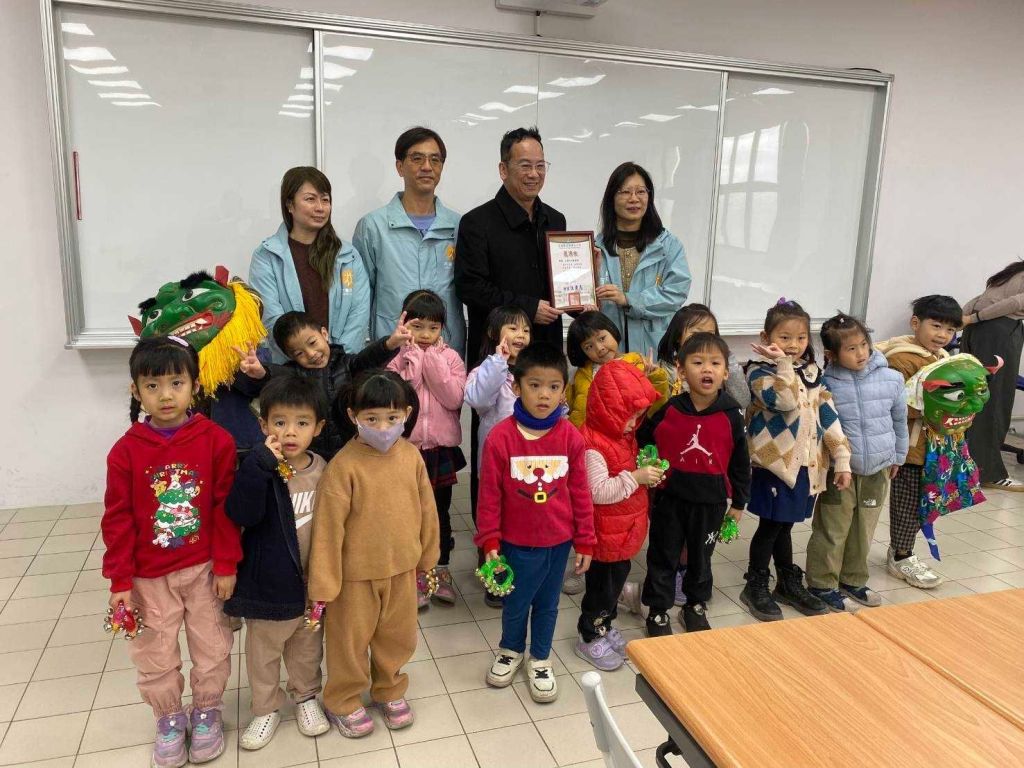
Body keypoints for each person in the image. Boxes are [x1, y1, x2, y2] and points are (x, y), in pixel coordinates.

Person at [101, 336, 241, 767]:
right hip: (149, 576)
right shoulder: (125, 451)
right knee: (154, 651)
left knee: (212, 645)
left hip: (203, 569)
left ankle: (207, 711)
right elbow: (117, 519)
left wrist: (226, 564)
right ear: (136, 391)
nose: (165, 395)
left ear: (194, 386)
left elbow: (225, 509)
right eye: (153, 385)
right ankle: (168, 718)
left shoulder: (217, 441)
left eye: (176, 383)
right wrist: (120, 580)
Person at [307, 371, 440, 738]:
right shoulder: (343, 466)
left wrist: (428, 557)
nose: (382, 427)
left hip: (401, 570)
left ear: (406, 414)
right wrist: (324, 585)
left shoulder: (411, 456)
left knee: (397, 637)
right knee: (348, 643)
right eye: (372, 418)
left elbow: (427, 509)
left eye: (391, 418)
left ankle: (389, 688)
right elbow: (328, 530)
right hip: (354, 578)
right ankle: (343, 699)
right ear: (354, 416)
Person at [475, 343, 595, 702]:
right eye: (535, 385)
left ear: (563, 390)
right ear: (516, 387)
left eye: (554, 386)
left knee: (548, 604)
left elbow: (581, 492)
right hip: (515, 543)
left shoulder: (571, 437)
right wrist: (490, 541)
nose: (545, 395)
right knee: (515, 603)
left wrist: (585, 540)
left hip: (558, 543)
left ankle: (540, 658)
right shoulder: (501, 437)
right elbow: (489, 496)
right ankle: (511, 650)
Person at [225, 376, 330, 750]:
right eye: (280, 422)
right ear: (263, 424)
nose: (290, 432)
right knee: (264, 652)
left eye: (302, 422)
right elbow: (242, 513)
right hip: (268, 585)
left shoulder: (323, 469)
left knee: (307, 648)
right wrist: (259, 466)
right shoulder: (256, 466)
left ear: (318, 427)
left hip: (311, 585)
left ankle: (305, 697)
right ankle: (265, 707)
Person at [739, 300, 852, 622]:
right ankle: (755, 583)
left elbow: (829, 417)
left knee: (784, 525)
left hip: (806, 467)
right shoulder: (759, 371)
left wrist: (842, 458)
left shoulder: (813, 374)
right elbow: (784, 400)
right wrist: (784, 364)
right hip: (774, 465)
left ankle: (787, 581)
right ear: (766, 337)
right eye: (785, 337)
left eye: (801, 338)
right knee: (771, 525)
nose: (793, 345)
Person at [639, 333, 750, 635]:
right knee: (662, 555)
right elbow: (644, 438)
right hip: (669, 500)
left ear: (725, 372)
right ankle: (658, 611)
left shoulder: (731, 415)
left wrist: (739, 502)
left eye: (715, 363)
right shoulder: (670, 409)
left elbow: (740, 463)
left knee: (702, 559)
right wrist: (649, 466)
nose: (707, 369)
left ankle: (695, 605)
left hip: (710, 503)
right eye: (698, 362)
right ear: (681, 370)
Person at [805, 314, 908, 612]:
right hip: (841, 471)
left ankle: (853, 579)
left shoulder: (892, 379)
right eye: (851, 349)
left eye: (864, 344)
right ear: (832, 354)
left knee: (864, 528)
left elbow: (899, 421)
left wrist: (899, 455)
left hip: (878, 467)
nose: (861, 353)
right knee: (832, 528)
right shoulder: (825, 384)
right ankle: (822, 583)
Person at [575, 361, 661, 669]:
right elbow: (597, 491)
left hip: (622, 533)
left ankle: (605, 624)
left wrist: (645, 473)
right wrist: (635, 478)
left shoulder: (621, 435)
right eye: (629, 416)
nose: (633, 423)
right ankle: (589, 635)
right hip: (603, 536)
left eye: (638, 416)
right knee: (601, 591)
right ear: (607, 410)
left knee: (613, 588)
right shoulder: (593, 445)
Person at [454, 126, 567, 361]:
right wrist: (528, 308)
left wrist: (585, 283)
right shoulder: (476, 222)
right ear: (503, 170)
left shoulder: (555, 220)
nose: (534, 174)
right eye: (525, 166)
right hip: (495, 355)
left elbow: (561, 287)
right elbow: (471, 288)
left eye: (540, 166)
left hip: (546, 351)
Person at [236, 310, 411, 460]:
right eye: (299, 353)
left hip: (349, 448)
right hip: (311, 453)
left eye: (312, 343)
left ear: (324, 334)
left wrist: (390, 344)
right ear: (291, 357)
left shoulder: (347, 363)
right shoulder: (294, 375)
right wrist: (261, 372)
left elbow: (368, 358)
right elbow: (276, 375)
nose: (311, 354)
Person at [353, 127, 465, 358]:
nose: (427, 167)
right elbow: (362, 297)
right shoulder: (373, 227)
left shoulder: (459, 226)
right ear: (400, 166)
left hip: (446, 351)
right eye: (417, 158)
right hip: (392, 349)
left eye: (435, 160)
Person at [875, 295, 963, 588]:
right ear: (916, 323)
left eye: (950, 330)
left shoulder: (942, 358)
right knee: (907, 503)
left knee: (924, 502)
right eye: (936, 326)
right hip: (910, 448)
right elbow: (895, 405)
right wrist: (938, 405)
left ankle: (904, 550)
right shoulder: (901, 358)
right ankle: (901, 555)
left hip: (933, 447)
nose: (942, 335)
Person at [387, 289, 467, 607]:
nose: (425, 334)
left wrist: (432, 361)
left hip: (440, 452)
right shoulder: (395, 357)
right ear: (404, 323)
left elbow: (454, 398)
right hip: (406, 451)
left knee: (439, 514)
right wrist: (413, 360)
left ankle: (439, 570)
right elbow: (399, 399)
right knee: (409, 515)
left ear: (442, 328)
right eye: (417, 326)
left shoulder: (451, 358)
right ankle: (413, 575)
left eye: (433, 328)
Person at [250, 166, 370, 361]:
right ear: (290, 205)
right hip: (290, 368)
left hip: (342, 366)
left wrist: (336, 360)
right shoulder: (267, 257)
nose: (320, 207)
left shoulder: (348, 256)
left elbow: (359, 313)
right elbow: (271, 319)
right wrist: (305, 357)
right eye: (310, 199)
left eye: (325, 199)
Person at [464, 305, 533, 606]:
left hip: (528, 464)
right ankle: (494, 577)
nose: (521, 335)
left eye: (526, 330)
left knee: (521, 521)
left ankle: (520, 573)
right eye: (513, 328)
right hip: (495, 466)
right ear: (494, 333)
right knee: (493, 521)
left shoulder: (532, 371)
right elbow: (478, 399)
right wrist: (498, 361)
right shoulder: (485, 370)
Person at [595, 162, 691, 355]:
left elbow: (676, 292)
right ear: (611, 198)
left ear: (649, 196)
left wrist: (629, 299)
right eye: (625, 192)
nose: (634, 199)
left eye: (641, 191)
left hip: (653, 350)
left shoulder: (668, 245)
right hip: (610, 351)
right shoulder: (596, 248)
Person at [960, 260, 1024, 491]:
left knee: (971, 395)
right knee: (994, 400)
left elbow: (981, 298)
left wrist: (966, 318)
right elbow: (1015, 303)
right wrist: (973, 318)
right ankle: (988, 473)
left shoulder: (1015, 270)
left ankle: (961, 466)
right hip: (998, 333)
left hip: (977, 331)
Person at [565, 311, 670, 428]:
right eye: (589, 346)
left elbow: (657, 409)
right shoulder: (582, 374)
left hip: (635, 432)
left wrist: (655, 378)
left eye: (602, 338)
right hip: (592, 435)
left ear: (612, 330)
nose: (599, 348)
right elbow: (576, 410)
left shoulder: (638, 363)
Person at [656, 303, 750, 410]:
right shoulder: (665, 369)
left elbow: (742, 402)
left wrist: (727, 360)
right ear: (678, 336)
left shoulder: (722, 365)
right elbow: (659, 410)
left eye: (709, 334)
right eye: (696, 334)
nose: (703, 341)